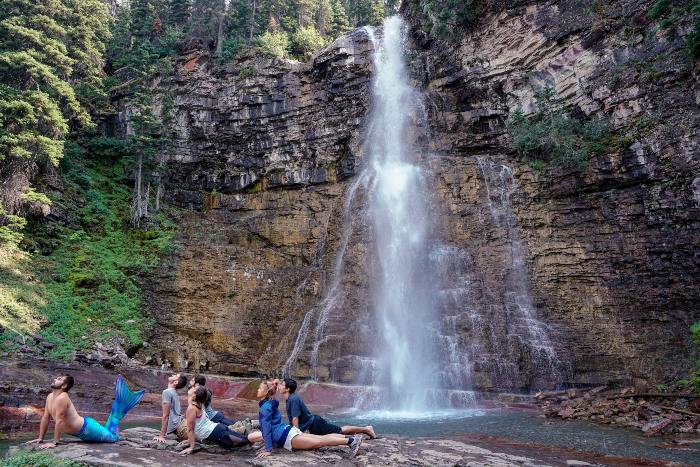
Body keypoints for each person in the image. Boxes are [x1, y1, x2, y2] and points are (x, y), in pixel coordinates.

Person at [247, 380, 363, 458]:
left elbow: (266, 430)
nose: (257, 390)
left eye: (259, 388)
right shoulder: (270, 402)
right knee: (320, 438)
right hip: (288, 431)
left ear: (266, 392)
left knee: (320, 442)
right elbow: (269, 428)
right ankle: (350, 437)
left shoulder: (265, 408)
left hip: (287, 437)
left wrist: (268, 449)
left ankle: (351, 441)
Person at [28, 374, 144, 448]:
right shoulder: (49, 397)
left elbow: (59, 421)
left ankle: (119, 407)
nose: (55, 379)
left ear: (64, 386)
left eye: (59, 379)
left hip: (87, 428)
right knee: (108, 432)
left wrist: (54, 442)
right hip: (82, 432)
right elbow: (45, 418)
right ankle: (118, 405)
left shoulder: (62, 397)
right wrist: (40, 439)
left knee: (113, 438)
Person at [280, 378, 375, 439]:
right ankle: (362, 431)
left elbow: (295, 418)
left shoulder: (293, 399)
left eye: (281, 384)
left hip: (316, 424)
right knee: (337, 433)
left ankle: (366, 429)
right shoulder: (290, 398)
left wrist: (295, 435)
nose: (279, 386)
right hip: (313, 425)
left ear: (287, 389)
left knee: (341, 431)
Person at [180, 386, 249, 455]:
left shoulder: (192, 408)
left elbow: (190, 429)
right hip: (216, 428)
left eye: (194, 388)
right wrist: (190, 440)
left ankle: (255, 436)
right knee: (243, 440)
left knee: (244, 441)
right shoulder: (199, 403)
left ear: (195, 396)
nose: (192, 387)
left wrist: (191, 447)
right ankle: (253, 435)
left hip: (215, 431)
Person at [153, 373, 188, 443]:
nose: (172, 375)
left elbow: (166, 415)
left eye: (175, 376)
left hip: (182, 428)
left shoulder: (167, 392)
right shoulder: (173, 392)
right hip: (182, 424)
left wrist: (161, 435)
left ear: (175, 382)